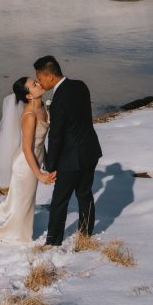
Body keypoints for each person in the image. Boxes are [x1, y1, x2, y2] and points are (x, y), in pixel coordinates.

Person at [34, 55, 103, 247]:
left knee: (59, 201)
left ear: (49, 76)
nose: (39, 82)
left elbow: (56, 135)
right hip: (90, 151)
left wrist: (51, 165)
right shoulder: (81, 86)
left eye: (39, 78)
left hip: (70, 158)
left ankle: (53, 241)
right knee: (85, 194)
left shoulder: (58, 101)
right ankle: (85, 234)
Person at [0, 76, 54, 244]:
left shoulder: (42, 107)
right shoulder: (29, 115)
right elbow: (27, 147)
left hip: (36, 159)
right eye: (34, 85)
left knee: (22, 198)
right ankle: (16, 235)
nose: (39, 84)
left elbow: (39, 142)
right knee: (23, 200)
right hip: (25, 163)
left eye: (36, 81)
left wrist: (46, 161)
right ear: (28, 96)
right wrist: (39, 174)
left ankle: (3, 222)